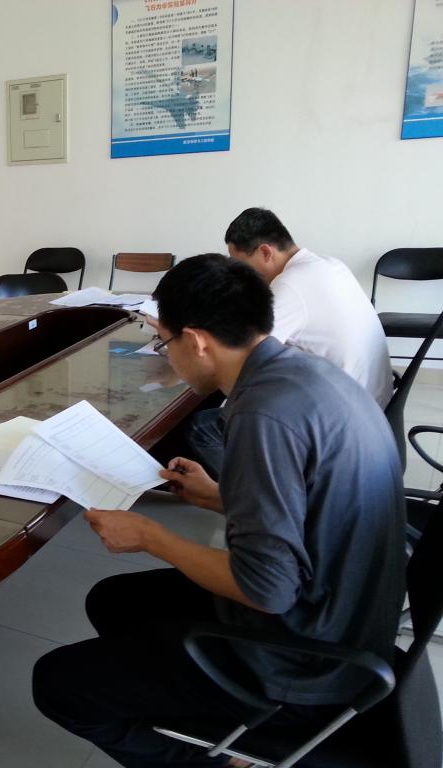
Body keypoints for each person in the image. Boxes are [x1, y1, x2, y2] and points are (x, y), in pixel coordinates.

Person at [32, 255, 405, 768]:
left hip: (306, 664)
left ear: (197, 341)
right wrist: (218, 495)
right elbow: (312, 504)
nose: (167, 356)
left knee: (57, 684)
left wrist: (150, 536)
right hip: (347, 621)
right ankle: (181, 708)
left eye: (164, 343)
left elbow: (267, 589)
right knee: (114, 600)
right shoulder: (305, 375)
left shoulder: (263, 415)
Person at [188, 207, 393, 474]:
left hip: (345, 422)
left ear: (265, 252)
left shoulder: (289, 285)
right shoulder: (329, 264)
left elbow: (242, 356)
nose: (241, 276)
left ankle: (241, 492)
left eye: (241, 265)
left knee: (205, 426)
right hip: (373, 402)